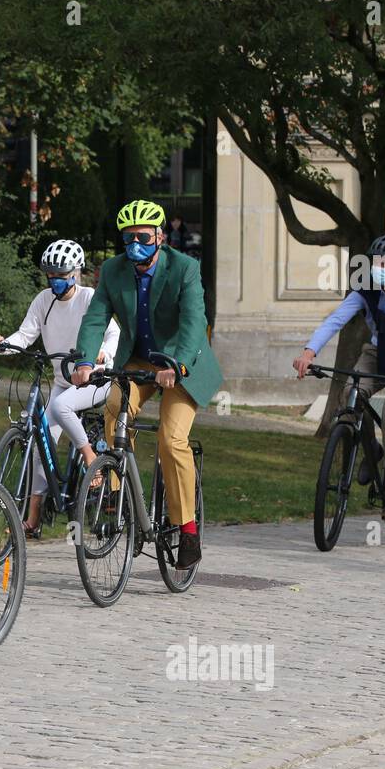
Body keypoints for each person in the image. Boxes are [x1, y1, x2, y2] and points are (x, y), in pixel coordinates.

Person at [73, 199, 223, 570]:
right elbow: (96, 318)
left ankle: (187, 529)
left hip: (181, 362)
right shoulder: (113, 270)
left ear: (160, 236)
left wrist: (178, 364)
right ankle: (116, 496)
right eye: (128, 238)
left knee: (171, 440)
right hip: (138, 360)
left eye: (142, 236)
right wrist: (84, 360)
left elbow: (193, 321)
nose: (134, 244)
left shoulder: (184, 268)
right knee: (113, 406)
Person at [292, 232, 385, 519]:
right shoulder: (365, 289)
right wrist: (309, 352)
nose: (378, 268)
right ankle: (373, 451)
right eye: (376, 263)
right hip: (375, 354)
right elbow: (335, 319)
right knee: (350, 400)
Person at [0, 238, 119, 535]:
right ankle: (32, 520)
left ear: (76, 273)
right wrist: (3, 345)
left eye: (61, 275)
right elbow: (26, 334)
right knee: (40, 441)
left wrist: (103, 354)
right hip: (62, 381)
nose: (55, 281)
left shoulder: (90, 298)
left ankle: (89, 455)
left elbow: (113, 335)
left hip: (95, 379)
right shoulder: (43, 301)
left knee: (61, 407)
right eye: (51, 275)